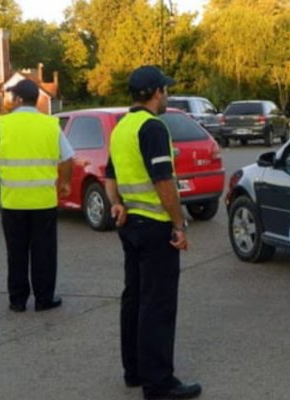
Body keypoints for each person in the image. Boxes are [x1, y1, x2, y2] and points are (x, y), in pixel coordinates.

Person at [105, 65, 202, 400]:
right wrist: (179, 224)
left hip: (130, 224)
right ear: (156, 93)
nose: (167, 95)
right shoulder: (152, 127)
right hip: (155, 227)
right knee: (157, 304)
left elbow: (110, 174)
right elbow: (163, 181)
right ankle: (158, 383)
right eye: (165, 89)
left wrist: (115, 203)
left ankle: (134, 370)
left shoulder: (121, 127)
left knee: (134, 298)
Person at [0, 79, 73, 312]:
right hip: (43, 201)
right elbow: (68, 156)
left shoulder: (4, 124)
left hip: (13, 202)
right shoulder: (50, 125)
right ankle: (44, 299)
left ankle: (17, 300)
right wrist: (66, 183)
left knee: (16, 252)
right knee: (44, 253)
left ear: (18, 99)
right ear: (37, 99)